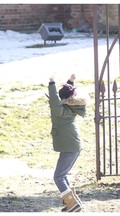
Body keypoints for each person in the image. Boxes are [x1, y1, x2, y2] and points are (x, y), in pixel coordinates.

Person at [48, 74, 86, 212]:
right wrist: (71, 81)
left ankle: (73, 205)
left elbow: (54, 101)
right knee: (62, 175)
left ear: (61, 99)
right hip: (73, 147)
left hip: (70, 147)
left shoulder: (59, 110)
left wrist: (51, 84)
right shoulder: (71, 107)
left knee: (58, 177)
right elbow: (67, 93)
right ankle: (73, 203)